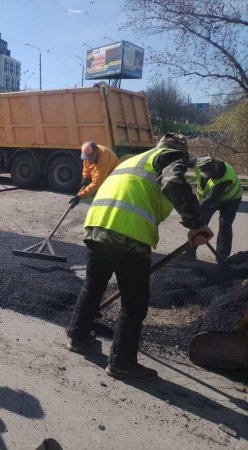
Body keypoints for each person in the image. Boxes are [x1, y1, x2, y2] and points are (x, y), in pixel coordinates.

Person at [66, 133, 213, 382]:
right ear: (180, 152)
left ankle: (78, 336)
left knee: (93, 285)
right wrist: (196, 224)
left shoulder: (135, 160)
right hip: (129, 233)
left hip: (96, 226)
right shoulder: (170, 157)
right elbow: (172, 183)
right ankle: (122, 364)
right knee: (134, 303)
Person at [186, 156, 243, 261]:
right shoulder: (198, 163)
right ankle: (190, 252)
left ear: (216, 166)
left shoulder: (225, 177)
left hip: (231, 200)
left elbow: (209, 201)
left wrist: (193, 215)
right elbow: (183, 160)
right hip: (210, 198)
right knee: (200, 223)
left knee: (225, 225)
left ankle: (222, 256)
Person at [69, 141, 120, 207]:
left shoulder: (103, 159)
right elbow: (86, 165)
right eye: (86, 157)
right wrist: (85, 177)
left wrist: (80, 196)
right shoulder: (89, 153)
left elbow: (96, 183)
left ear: (96, 153)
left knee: (106, 198)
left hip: (114, 177)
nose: (88, 159)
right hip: (105, 174)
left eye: (89, 157)